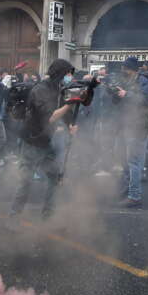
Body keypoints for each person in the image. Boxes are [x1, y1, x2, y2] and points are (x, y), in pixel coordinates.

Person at [13, 59, 92, 218]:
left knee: (54, 177)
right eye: (67, 74)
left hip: (47, 141)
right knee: (26, 181)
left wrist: (70, 124)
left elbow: (64, 111)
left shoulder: (59, 88)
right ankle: (14, 216)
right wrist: (71, 103)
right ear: (59, 73)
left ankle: (47, 216)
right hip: (32, 141)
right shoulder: (40, 90)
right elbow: (50, 117)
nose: (69, 77)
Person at [110, 56, 148, 208]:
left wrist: (126, 94)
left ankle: (134, 196)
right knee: (126, 161)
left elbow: (146, 100)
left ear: (131, 69)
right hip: (127, 125)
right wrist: (115, 94)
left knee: (134, 162)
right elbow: (120, 103)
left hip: (138, 127)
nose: (123, 71)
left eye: (125, 68)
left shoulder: (143, 81)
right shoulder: (128, 81)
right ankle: (127, 190)